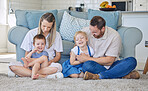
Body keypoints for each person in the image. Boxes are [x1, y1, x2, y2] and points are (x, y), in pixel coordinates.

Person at [76, 16, 140, 80]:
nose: (92, 34)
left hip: (112, 65)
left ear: (102, 29)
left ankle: (99, 76)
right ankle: (120, 74)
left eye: (95, 32)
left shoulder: (114, 36)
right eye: (90, 30)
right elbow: (75, 48)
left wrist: (87, 58)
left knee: (132, 61)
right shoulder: (85, 31)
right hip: (94, 65)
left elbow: (110, 61)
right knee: (87, 66)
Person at [8, 13, 63, 79]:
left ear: (52, 26)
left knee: (57, 68)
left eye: (49, 27)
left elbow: (58, 56)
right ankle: (45, 76)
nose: (45, 29)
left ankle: (26, 73)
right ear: (40, 23)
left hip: (47, 64)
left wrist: (50, 62)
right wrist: (30, 62)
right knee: (12, 66)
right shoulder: (31, 33)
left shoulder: (56, 35)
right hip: (32, 63)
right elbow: (27, 53)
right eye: (44, 26)